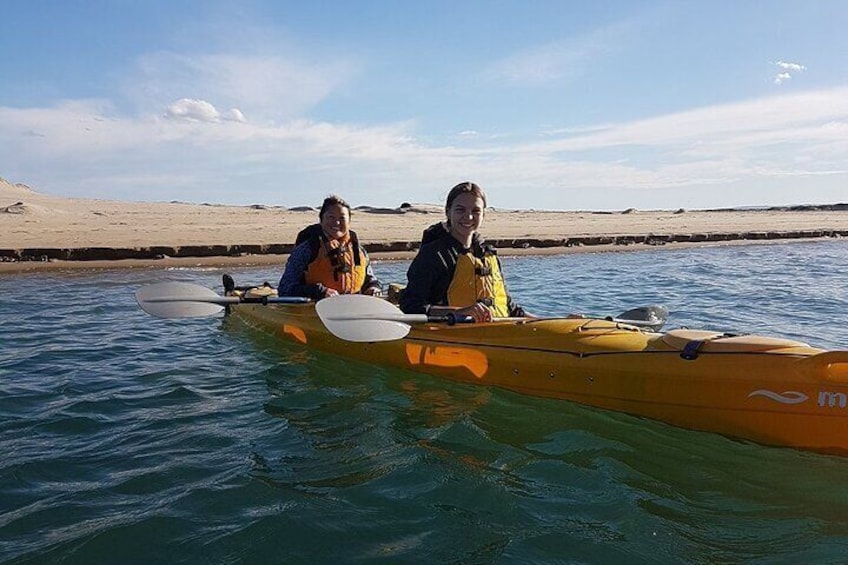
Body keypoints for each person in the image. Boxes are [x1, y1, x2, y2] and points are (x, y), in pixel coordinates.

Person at [399, 181, 526, 322]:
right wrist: (460, 312)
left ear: (484, 214)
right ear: (448, 212)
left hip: (495, 334)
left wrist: (548, 321)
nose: (469, 216)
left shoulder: (488, 255)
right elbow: (410, 305)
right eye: (460, 210)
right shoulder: (434, 255)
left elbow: (510, 307)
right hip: (451, 336)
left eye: (475, 211)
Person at [278, 195, 381, 300]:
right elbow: (284, 289)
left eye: (342, 218)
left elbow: (370, 279)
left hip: (353, 306)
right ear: (321, 219)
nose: (336, 222)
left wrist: (374, 287)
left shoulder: (359, 250)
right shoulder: (307, 249)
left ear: (349, 221)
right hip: (316, 308)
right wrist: (320, 292)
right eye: (331, 217)